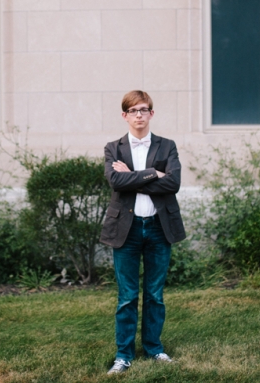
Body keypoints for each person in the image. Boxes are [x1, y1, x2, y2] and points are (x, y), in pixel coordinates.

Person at [100, 90, 186, 375]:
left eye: (144, 109)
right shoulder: (114, 148)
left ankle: (154, 348)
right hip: (127, 228)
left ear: (151, 113)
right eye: (133, 110)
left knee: (154, 294)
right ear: (124, 115)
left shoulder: (167, 146)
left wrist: (134, 176)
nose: (139, 115)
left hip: (159, 228)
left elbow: (172, 184)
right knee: (127, 295)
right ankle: (123, 355)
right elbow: (115, 180)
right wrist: (153, 174)